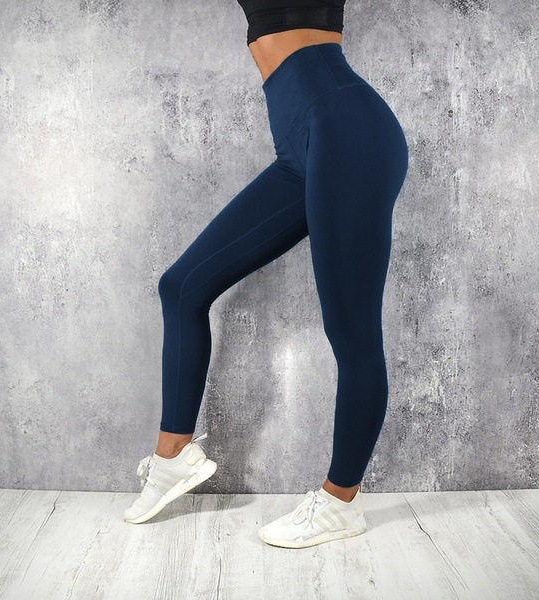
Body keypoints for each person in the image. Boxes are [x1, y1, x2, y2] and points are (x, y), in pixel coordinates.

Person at [124, 0, 409, 549]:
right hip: (301, 143)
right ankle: (172, 457)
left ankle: (340, 502)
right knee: (181, 287)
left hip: (347, 130)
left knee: (352, 333)